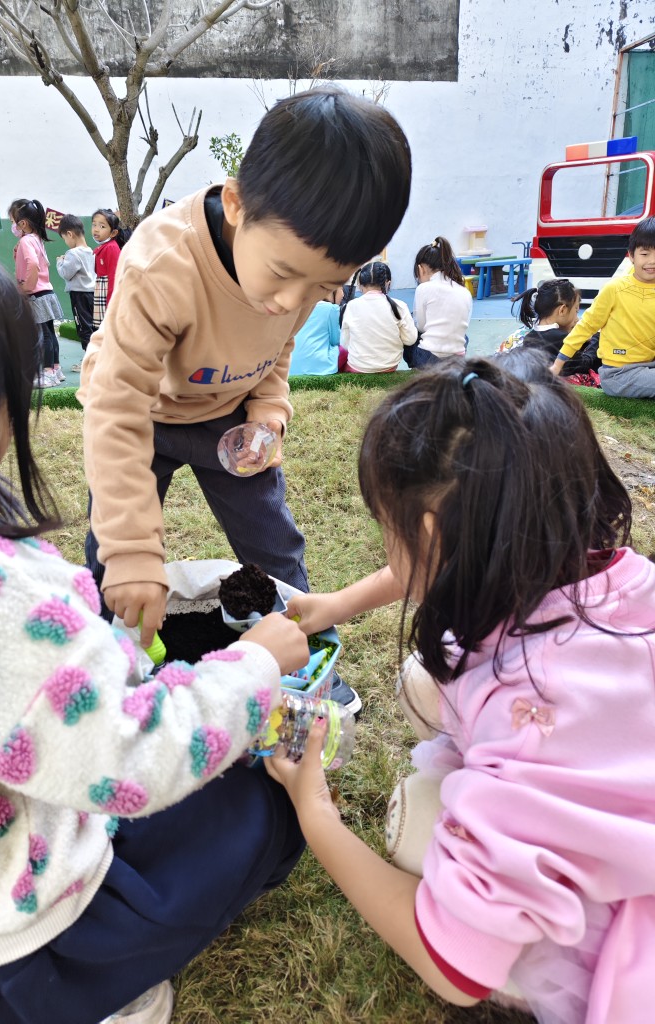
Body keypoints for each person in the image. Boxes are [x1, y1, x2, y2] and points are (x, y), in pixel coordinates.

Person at [0, 207, 311, 1024]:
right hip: (20, 943)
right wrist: (256, 663)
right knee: (262, 808)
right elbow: (133, 757)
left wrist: (105, 642)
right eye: (9, 395)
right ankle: (107, 991)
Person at [272, 353, 655, 1023]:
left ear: (429, 535)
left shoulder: (527, 712)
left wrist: (314, 809)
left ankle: (537, 973)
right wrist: (337, 604)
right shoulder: (611, 573)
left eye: (386, 528)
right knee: (430, 682)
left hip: (630, 947)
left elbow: (454, 970)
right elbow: (450, 555)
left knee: (422, 818)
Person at [80, 87, 413, 716]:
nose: (292, 301)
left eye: (323, 286)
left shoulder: (299, 276)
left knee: (273, 546)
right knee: (114, 559)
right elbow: (116, 408)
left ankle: (302, 662)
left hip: (228, 418)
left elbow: (276, 350)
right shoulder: (162, 265)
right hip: (141, 414)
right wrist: (134, 552)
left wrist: (266, 413)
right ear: (236, 204)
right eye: (283, 274)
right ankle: (104, 668)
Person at [550, 217, 655, 397]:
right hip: (618, 373)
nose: (652, 261)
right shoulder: (615, 289)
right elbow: (586, 326)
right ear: (631, 255)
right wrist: (557, 364)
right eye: (645, 254)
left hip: (649, 366)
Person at [9, 198, 66, 390]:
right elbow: (41, 264)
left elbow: (33, 264)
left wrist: (26, 286)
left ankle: (47, 373)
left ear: (23, 223)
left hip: (36, 294)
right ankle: (55, 369)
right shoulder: (36, 239)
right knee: (50, 333)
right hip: (46, 291)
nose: (13, 226)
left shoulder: (26, 241)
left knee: (43, 336)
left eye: (13, 222)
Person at [512, 277, 600, 385]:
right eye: (576, 310)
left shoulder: (529, 337)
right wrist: (596, 337)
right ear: (562, 310)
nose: (577, 319)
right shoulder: (561, 337)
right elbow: (585, 364)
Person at [338, 261, 417, 373]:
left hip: (357, 367)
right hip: (389, 367)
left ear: (359, 284)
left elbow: (345, 343)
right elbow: (410, 339)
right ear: (388, 283)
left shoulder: (349, 306)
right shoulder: (399, 306)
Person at [407, 236, 472, 366]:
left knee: (409, 330)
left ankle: (416, 368)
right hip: (458, 357)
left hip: (428, 358)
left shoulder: (423, 288)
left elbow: (421, 326)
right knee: (463, 336)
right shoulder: (464, 291)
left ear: (421, 269)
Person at [57, 213, 96, 372]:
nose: (66, 242)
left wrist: (60, 262)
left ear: (70, 234)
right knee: (93, 327)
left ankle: (90, 362)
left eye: (64, 239)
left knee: (83, 328)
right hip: (92, 293)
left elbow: (66, 273)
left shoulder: (73, 253)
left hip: (79, 295)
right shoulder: (90, 251)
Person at [288, 288, 342, 376]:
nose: (343, 294)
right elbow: (336, 340)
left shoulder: (293, 308)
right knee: (344, 350)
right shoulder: (331, 309)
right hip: (320, 367)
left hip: (290, 365)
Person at [91, 208, 126, 330]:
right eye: (94, 225)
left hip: (107, 293)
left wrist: (111, 303)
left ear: (113, 233)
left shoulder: (111, 248)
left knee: (107, 329)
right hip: (102, 291)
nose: (96, 229)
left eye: (102, 226)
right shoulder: (104, 247)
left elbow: (114, 276)